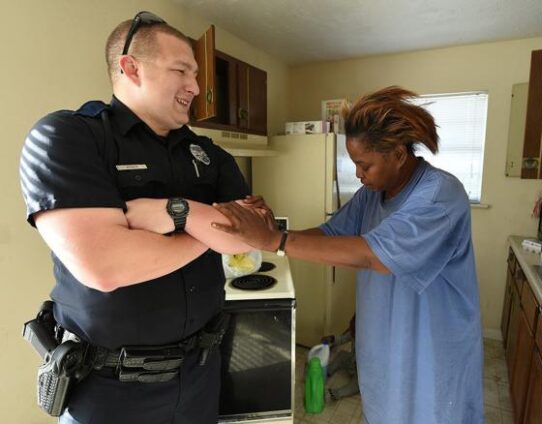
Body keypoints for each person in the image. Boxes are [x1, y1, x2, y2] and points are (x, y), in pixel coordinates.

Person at [19, 11, 261, 424]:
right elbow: (105, 265)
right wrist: (208, 225)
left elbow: (251, 236)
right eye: (181, 70)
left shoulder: (209, 154)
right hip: (108, 390)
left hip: (201, 375)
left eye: (197, 74)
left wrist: (174, 213)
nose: (196, 87)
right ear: (130, 67)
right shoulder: (69, 137)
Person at [211, 86, 485, 423]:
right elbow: (330, 234)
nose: (357, 173)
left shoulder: (439, 195)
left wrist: (274, 240)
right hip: (384, 338)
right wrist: (270, 228)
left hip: (430, 346)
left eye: (364, 164)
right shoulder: (372, 194)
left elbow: (375, 256)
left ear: (398, 154)